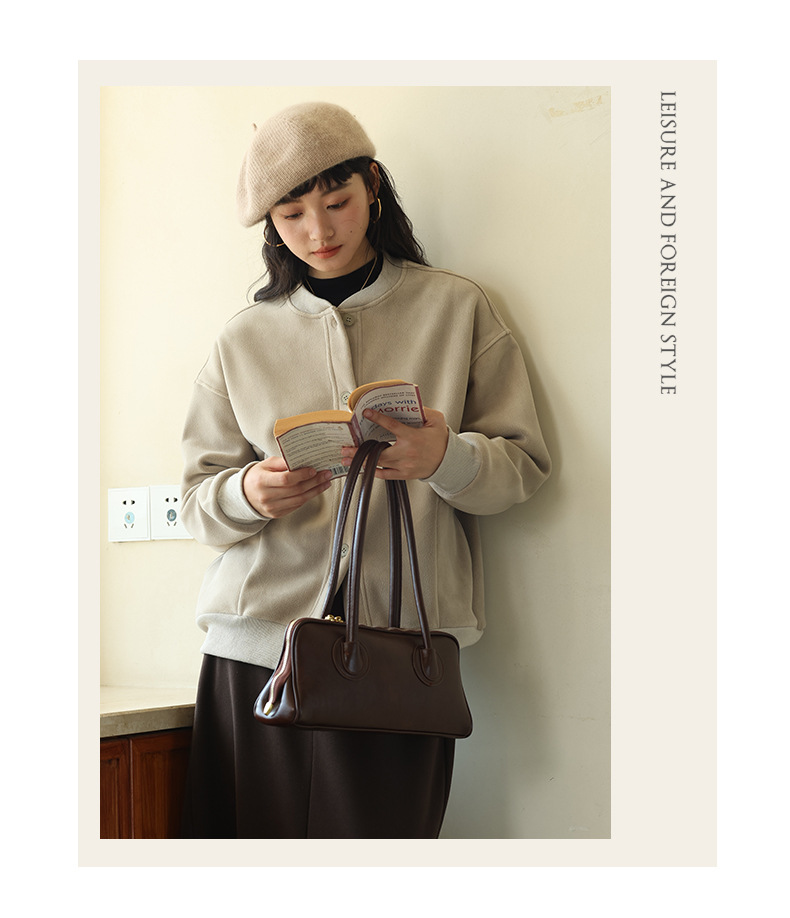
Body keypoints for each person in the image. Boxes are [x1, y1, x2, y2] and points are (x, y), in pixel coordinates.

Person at [179, 101, 551, 839]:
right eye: (291, 215)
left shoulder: (456, 307)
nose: (318, 232)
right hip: (257, 651)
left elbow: (524, 464)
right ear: (270, 224)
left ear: (373, 185)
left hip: (399, 659)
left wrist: (446, 457)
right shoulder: (242, 340)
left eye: (337, 201)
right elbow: (195, 501)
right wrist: (250, 492)